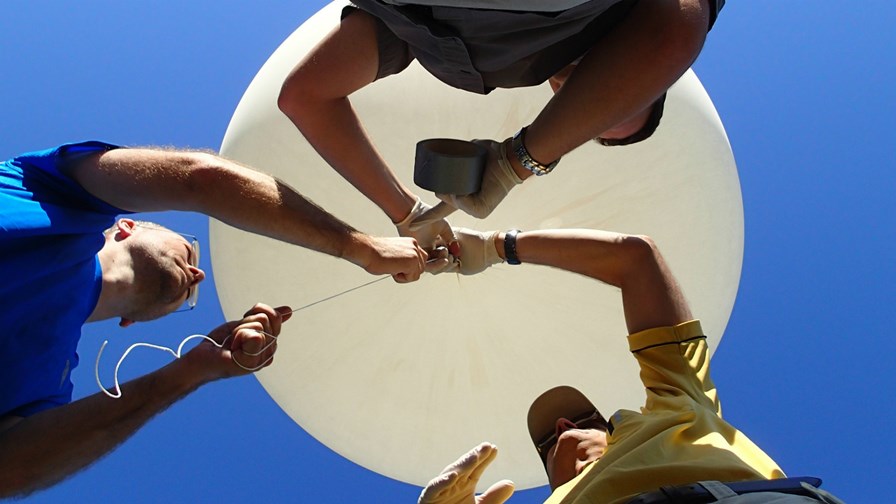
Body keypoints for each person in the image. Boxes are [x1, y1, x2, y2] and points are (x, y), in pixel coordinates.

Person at [0, 140, 438, 497]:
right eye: (189, 249)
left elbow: (11, 470)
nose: (198, 273)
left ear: (135, 321)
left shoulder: (45, 386)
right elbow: (200, 179)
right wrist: (361, 247)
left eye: (190, 295)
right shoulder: (40, 189)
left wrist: (192, 371)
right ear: (129, 226)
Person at [417, 228, 844, 503]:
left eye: (581, 421)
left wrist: (497, 247)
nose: (563, 428)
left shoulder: (679, 408)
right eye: (549, 441)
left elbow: (637, 258)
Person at [277, 0, 725, 251]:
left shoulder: (493, 62)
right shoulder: (605, 15)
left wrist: (408, 215)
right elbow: (669, 37)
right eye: (621, 104)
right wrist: (517, 163)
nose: (592, 115)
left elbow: (307, 97)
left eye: (593, 127)